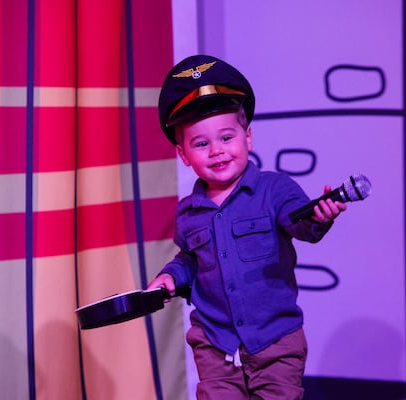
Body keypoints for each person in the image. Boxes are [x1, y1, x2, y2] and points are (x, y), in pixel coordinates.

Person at [148, 54, 347, 400]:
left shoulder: (275, 189)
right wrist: (170, 276)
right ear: (183, 154)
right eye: (201, 143)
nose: (216, 151)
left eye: (226, 137)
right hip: (215, 344)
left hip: (275, 343)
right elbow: (190, 262)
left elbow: (299, 221)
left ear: (248, 137)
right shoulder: (187, 212)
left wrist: (319, 216)